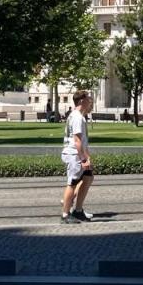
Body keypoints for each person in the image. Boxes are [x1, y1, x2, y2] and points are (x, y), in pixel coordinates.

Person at [60, 90, 95, 224]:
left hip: (77, 153)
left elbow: (82, 141)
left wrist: (87, 156)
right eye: (87, 99)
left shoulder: (78, 116)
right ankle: (65, 214)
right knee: (72, 183)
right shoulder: (77, 117)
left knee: (88, 177)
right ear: (81, 101)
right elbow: (77, 141)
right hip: (74, 154)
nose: (89, 102)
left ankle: (78, 210)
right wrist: (84, 159)